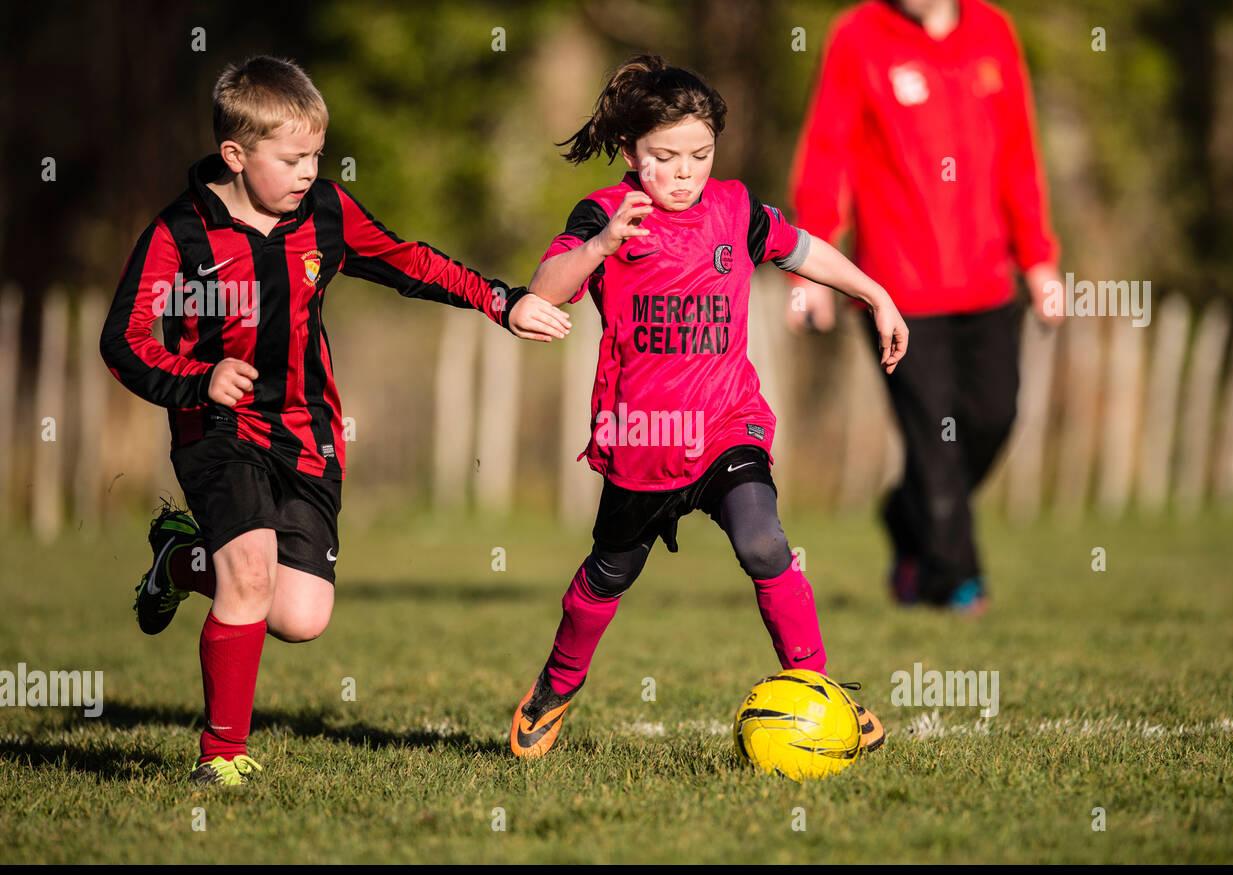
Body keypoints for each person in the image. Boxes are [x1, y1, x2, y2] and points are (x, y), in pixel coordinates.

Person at [100, 55, 570, 786]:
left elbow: (408, 262)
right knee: (250, 575)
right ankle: (221, 758)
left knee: (301, 614)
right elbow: (123, 341)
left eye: (317, 154)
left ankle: (180, 560)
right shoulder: (180, 233)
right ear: (235, 154)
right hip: (215, 432)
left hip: (307, 434)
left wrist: (501, 300)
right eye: (292, 158)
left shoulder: (325, 212)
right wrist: (199, 380)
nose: (308, 171)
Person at [509, 54, 908, 759]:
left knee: (764, 543)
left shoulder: (733, 208)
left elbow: (803, 249)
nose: (685, 171)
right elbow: (543, 288)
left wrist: (874, 293)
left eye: (700, 154)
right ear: (632, 153)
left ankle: (815, 690)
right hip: (643, 439)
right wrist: (600, 247)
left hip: (728, 424)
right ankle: (554, 688)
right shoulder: (606, 213)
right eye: (665, 157)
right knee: (608, 572)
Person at [786, 0, 1063, 614]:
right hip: (897, 289)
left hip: (989, 280)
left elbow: (1019, 155)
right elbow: (827, 152)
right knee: (934, 436)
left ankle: (908, 515)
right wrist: (811, 270)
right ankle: (955, 579)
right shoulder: (857, 37)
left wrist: (1038, 258)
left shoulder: (993, 32)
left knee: (992, 419)